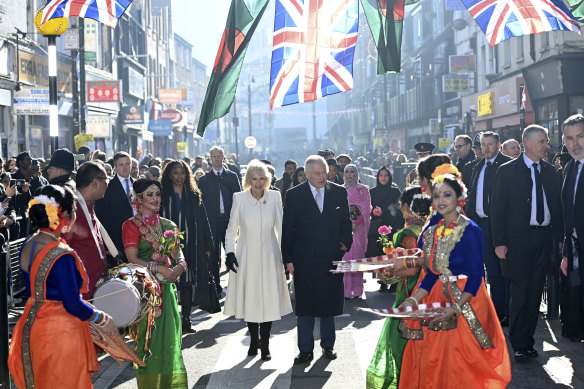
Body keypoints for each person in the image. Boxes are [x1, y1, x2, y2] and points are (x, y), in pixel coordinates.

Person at [399, 174, 511, 388]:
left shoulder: (471, 231)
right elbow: (432, 274)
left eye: (447, 195)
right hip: (439, 298)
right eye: (437, 195)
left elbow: (476, 275)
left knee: (463, 364)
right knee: (433, 360)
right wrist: (413, 301)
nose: (441, 200)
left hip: (468, 302)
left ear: (459, 197)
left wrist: (456, 308)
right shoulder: (432, 231)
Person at [8, 185, 117, 388]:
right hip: (61, 332)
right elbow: (72, 303)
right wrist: (100, 317)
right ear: (64, 214)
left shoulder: (28, 245)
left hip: (32, 325)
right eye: (74, 210)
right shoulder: (61, 254)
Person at [491, 124, 563, 362]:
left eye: (546, 141)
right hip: (517, 241)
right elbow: (497, 209)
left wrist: (560, 240)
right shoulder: (507, 170)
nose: (546, 146)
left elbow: (558, 208)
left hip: (544, 240)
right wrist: (499, 242)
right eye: (542, 141)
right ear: (528, 143)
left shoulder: (550, 171)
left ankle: (527, 341)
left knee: (534, 293)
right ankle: (519, 343)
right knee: (521, 292)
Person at [282, 155, 352, 364]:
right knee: (305, 305)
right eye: (317, 173)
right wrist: (288, 258)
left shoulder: (338, 192)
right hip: (304, 258)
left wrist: (345, 244)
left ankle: (328, 346)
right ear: (307, 173)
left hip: (330, 256)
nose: (323, 177)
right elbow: (288, 228)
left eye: (324, 172)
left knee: (329, 303)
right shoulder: (294, 195)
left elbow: (346, 223)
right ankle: (305, 349)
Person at [122, 178, 188, 388]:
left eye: (157, 194)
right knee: (147, 342)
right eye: (149, 194)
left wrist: (179, 268)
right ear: (138, 199)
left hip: (167, 292)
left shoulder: (169, 225)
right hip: (145, 294)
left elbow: (180, 256)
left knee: (170, 341)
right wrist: (159, 269)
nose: (155, 198)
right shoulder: (131, 226)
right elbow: (132, 258)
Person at [224, 160, 292, 361]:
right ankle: (254, 340)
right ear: (248, 180)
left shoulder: (274, 197)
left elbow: (281, 229)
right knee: (251, 299)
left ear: (267, 179)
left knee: (269, 298)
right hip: (246, 255)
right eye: (254, 178)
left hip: (270, 254)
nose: (258, 182)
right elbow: (230, 230)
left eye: (262, 178)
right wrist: (229, 253)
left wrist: (285, 256)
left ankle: (265, 344)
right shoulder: (239, 198)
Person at [366, 186, 431, 389]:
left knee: (401, 343)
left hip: (411, 292)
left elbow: (410, 269)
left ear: (407, 206)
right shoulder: (428, 227)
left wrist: (388, 273)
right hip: (425, 292)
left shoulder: (409, 233)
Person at [160, 160, 215, 334]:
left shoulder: (193, 194)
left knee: (187, 281)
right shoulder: (162, 195)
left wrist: (207, 245)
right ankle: (170, 320)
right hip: (167, 244)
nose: (179, 176)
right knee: (169, 281)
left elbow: (203, 220)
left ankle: (186, 320)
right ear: (169, 175)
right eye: (176, 173)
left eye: (182, 173)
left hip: (191, 243)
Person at [466, 131, 512, 326]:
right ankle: (496, 311)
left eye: (490, 144)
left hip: (501, 225)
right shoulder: (478, 166)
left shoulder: (508, 165)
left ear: (498, 145)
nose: (486, 148)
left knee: (505, 271)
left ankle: (507, 312)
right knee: (491, 271)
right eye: (483, 144)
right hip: (480, 225)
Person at [62, 161, 109, 299]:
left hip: (94, 287)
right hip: (79, 293)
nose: (108, 184)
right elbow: (62, 249)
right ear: (95, 183)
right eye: (106, 179)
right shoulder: (73, 209)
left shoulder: (88, 206)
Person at [198, 146, 242, 294]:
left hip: (229, 220)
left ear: (223, 157)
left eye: (219, 156)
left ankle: (235, 285)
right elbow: (200, 202)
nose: (217, 159)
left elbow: (239, 197)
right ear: (210, 159)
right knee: (214, 254)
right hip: (211, 222)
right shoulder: (204, 179)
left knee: (231, 252)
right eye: (214, 157)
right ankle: (216, 285)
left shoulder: (232, 176)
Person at [559, 114, 584, 342]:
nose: (575, 144)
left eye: (580, 137)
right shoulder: (570, 168)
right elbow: (568, 211)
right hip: (575, 247)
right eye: (569, 138)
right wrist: (566, 251)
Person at [95, 151, 135, 262]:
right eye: (121, 165)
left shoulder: (138, 184)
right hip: (117, 241)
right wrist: (110, 247)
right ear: (115, 167)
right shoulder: (107, 187)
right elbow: (101, 217)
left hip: (138, 239)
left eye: (127, 164)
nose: (125, 167)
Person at [342, 164, 371, 299]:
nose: (349, 174)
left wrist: (355, 223)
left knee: (356, 257)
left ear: (356, 174)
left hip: (358, 229)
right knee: (345, 257)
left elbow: (366, 209)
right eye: (346, 172)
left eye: (352, 172)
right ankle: (345, 290)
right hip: (344, 229)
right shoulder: (340, 190)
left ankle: (357, 290)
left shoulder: (363, 189)